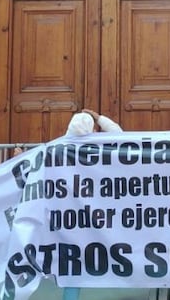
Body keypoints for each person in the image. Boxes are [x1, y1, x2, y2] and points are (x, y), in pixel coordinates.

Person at [60, 108, 122, 300]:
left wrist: (19, 158)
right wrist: (99, 117)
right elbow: (120, 135)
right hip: (98, 213)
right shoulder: (98, 146)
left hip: (68, 216)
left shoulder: (58, 147)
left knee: (72, 261)